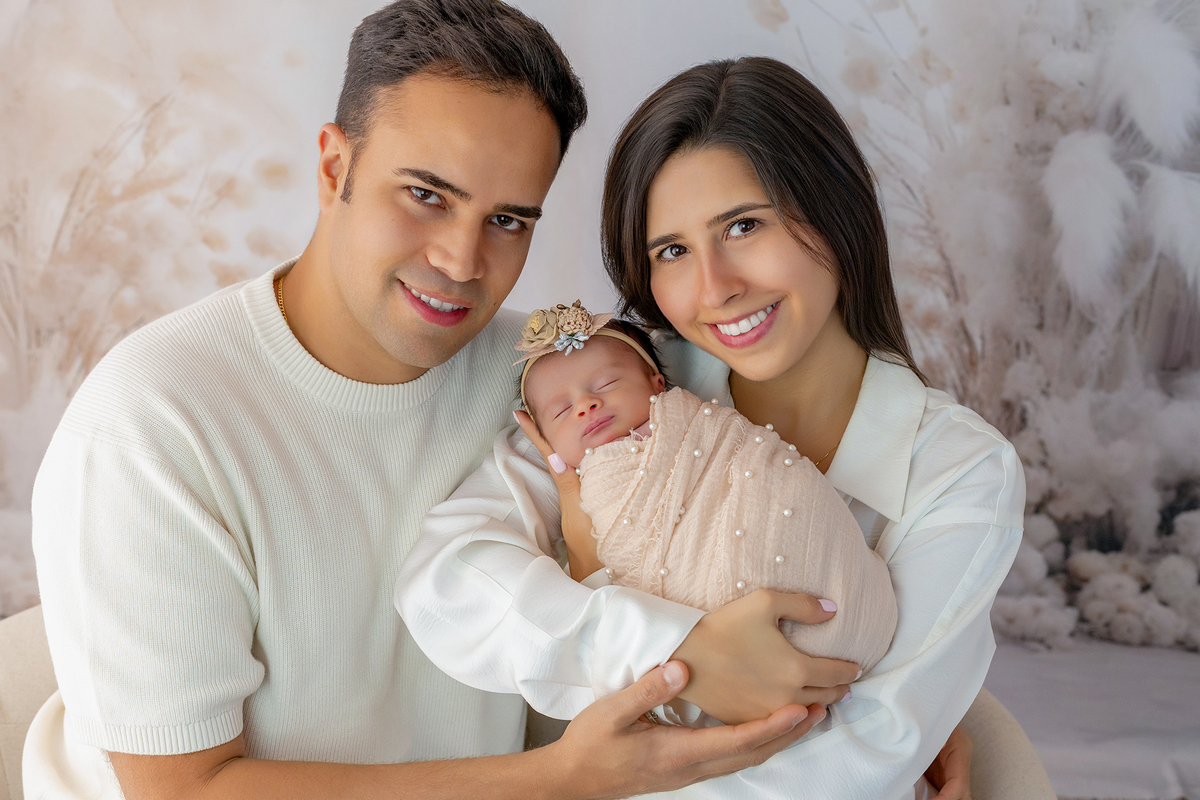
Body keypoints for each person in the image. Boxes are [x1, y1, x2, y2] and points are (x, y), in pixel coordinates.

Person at [23, 8, 832, 800]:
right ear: (335, 168)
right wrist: (561, 781)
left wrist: (897, 700)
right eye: (425, 195)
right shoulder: (149, 428)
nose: (460, 260)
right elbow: (182, 791)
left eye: (508, 220)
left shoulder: (555, 378)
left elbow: (779, 438)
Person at [396, 55, 1022, 799]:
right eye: (672, 251)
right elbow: (451, 579)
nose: (714, 287)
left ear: (836, 210)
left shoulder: (959, 472)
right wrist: (677, 649)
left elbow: (865, 752)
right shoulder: (628, 386)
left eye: (745, 226)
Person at [514, 303, 897, 701]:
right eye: (561, 411)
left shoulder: (696, 422)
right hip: (728, 666)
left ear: (658, 383)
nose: (585, 405)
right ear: (543, 439)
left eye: (607, 383)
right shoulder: (586, 489)